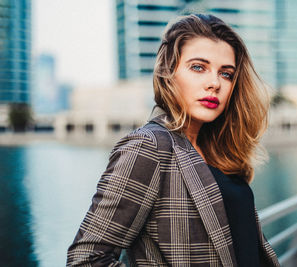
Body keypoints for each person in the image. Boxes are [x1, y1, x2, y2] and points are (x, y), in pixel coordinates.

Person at [67, 14, 280, 267]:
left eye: (226, 74)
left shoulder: (216, 147)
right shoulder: (149, 146)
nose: (214, 83)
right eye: (198, 67)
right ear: (169, 74)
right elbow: (86, 259)